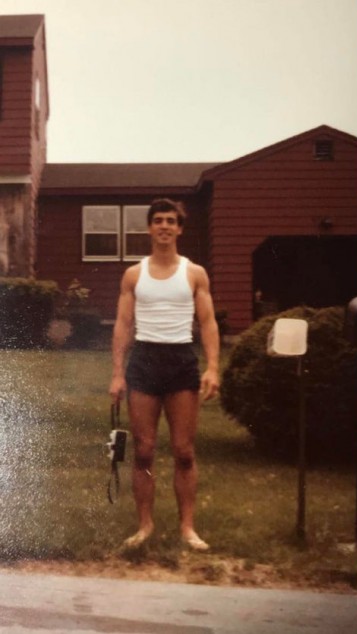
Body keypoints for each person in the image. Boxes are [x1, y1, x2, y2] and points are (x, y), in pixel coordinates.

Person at [109, 198, 220, 551]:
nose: (164, 226)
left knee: (184, 452)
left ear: (179, 228)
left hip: (181, 361)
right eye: (158, 220)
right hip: (144, 360)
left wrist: (213, 367)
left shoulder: (194, 273)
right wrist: (117, 374)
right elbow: (123, 324)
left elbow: (208, 323)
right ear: (149, 228)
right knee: (143, 451)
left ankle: (188, 529)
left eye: (171, 221)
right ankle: (145, 526)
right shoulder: (133, 274)